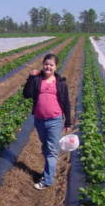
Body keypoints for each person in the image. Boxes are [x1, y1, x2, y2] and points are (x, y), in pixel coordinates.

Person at [23, 53, 71, 190]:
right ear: (43, 64)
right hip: (39, 120)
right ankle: (48, 171)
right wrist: (31, 77)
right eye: (46, 64)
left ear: (56, 67)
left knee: (51, 150)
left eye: (51, 64)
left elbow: (66, 103)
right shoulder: (37, 79)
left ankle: (48, 181)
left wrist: (67, 122)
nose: (48, 66)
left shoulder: (60, 83)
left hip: (55, 121)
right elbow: (26, 95)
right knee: (46, 147)